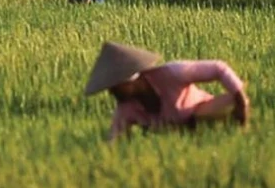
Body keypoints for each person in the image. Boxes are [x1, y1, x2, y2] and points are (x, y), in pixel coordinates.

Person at [84, 41, 250, 141]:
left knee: (221, 106)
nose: (113, 93)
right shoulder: (126, 109)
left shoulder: (171, 73)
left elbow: (218, 68)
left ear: (133, 80)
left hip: (201, 113)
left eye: (117, 87)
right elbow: (114, 138)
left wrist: (240, 99)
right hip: (171, 134)